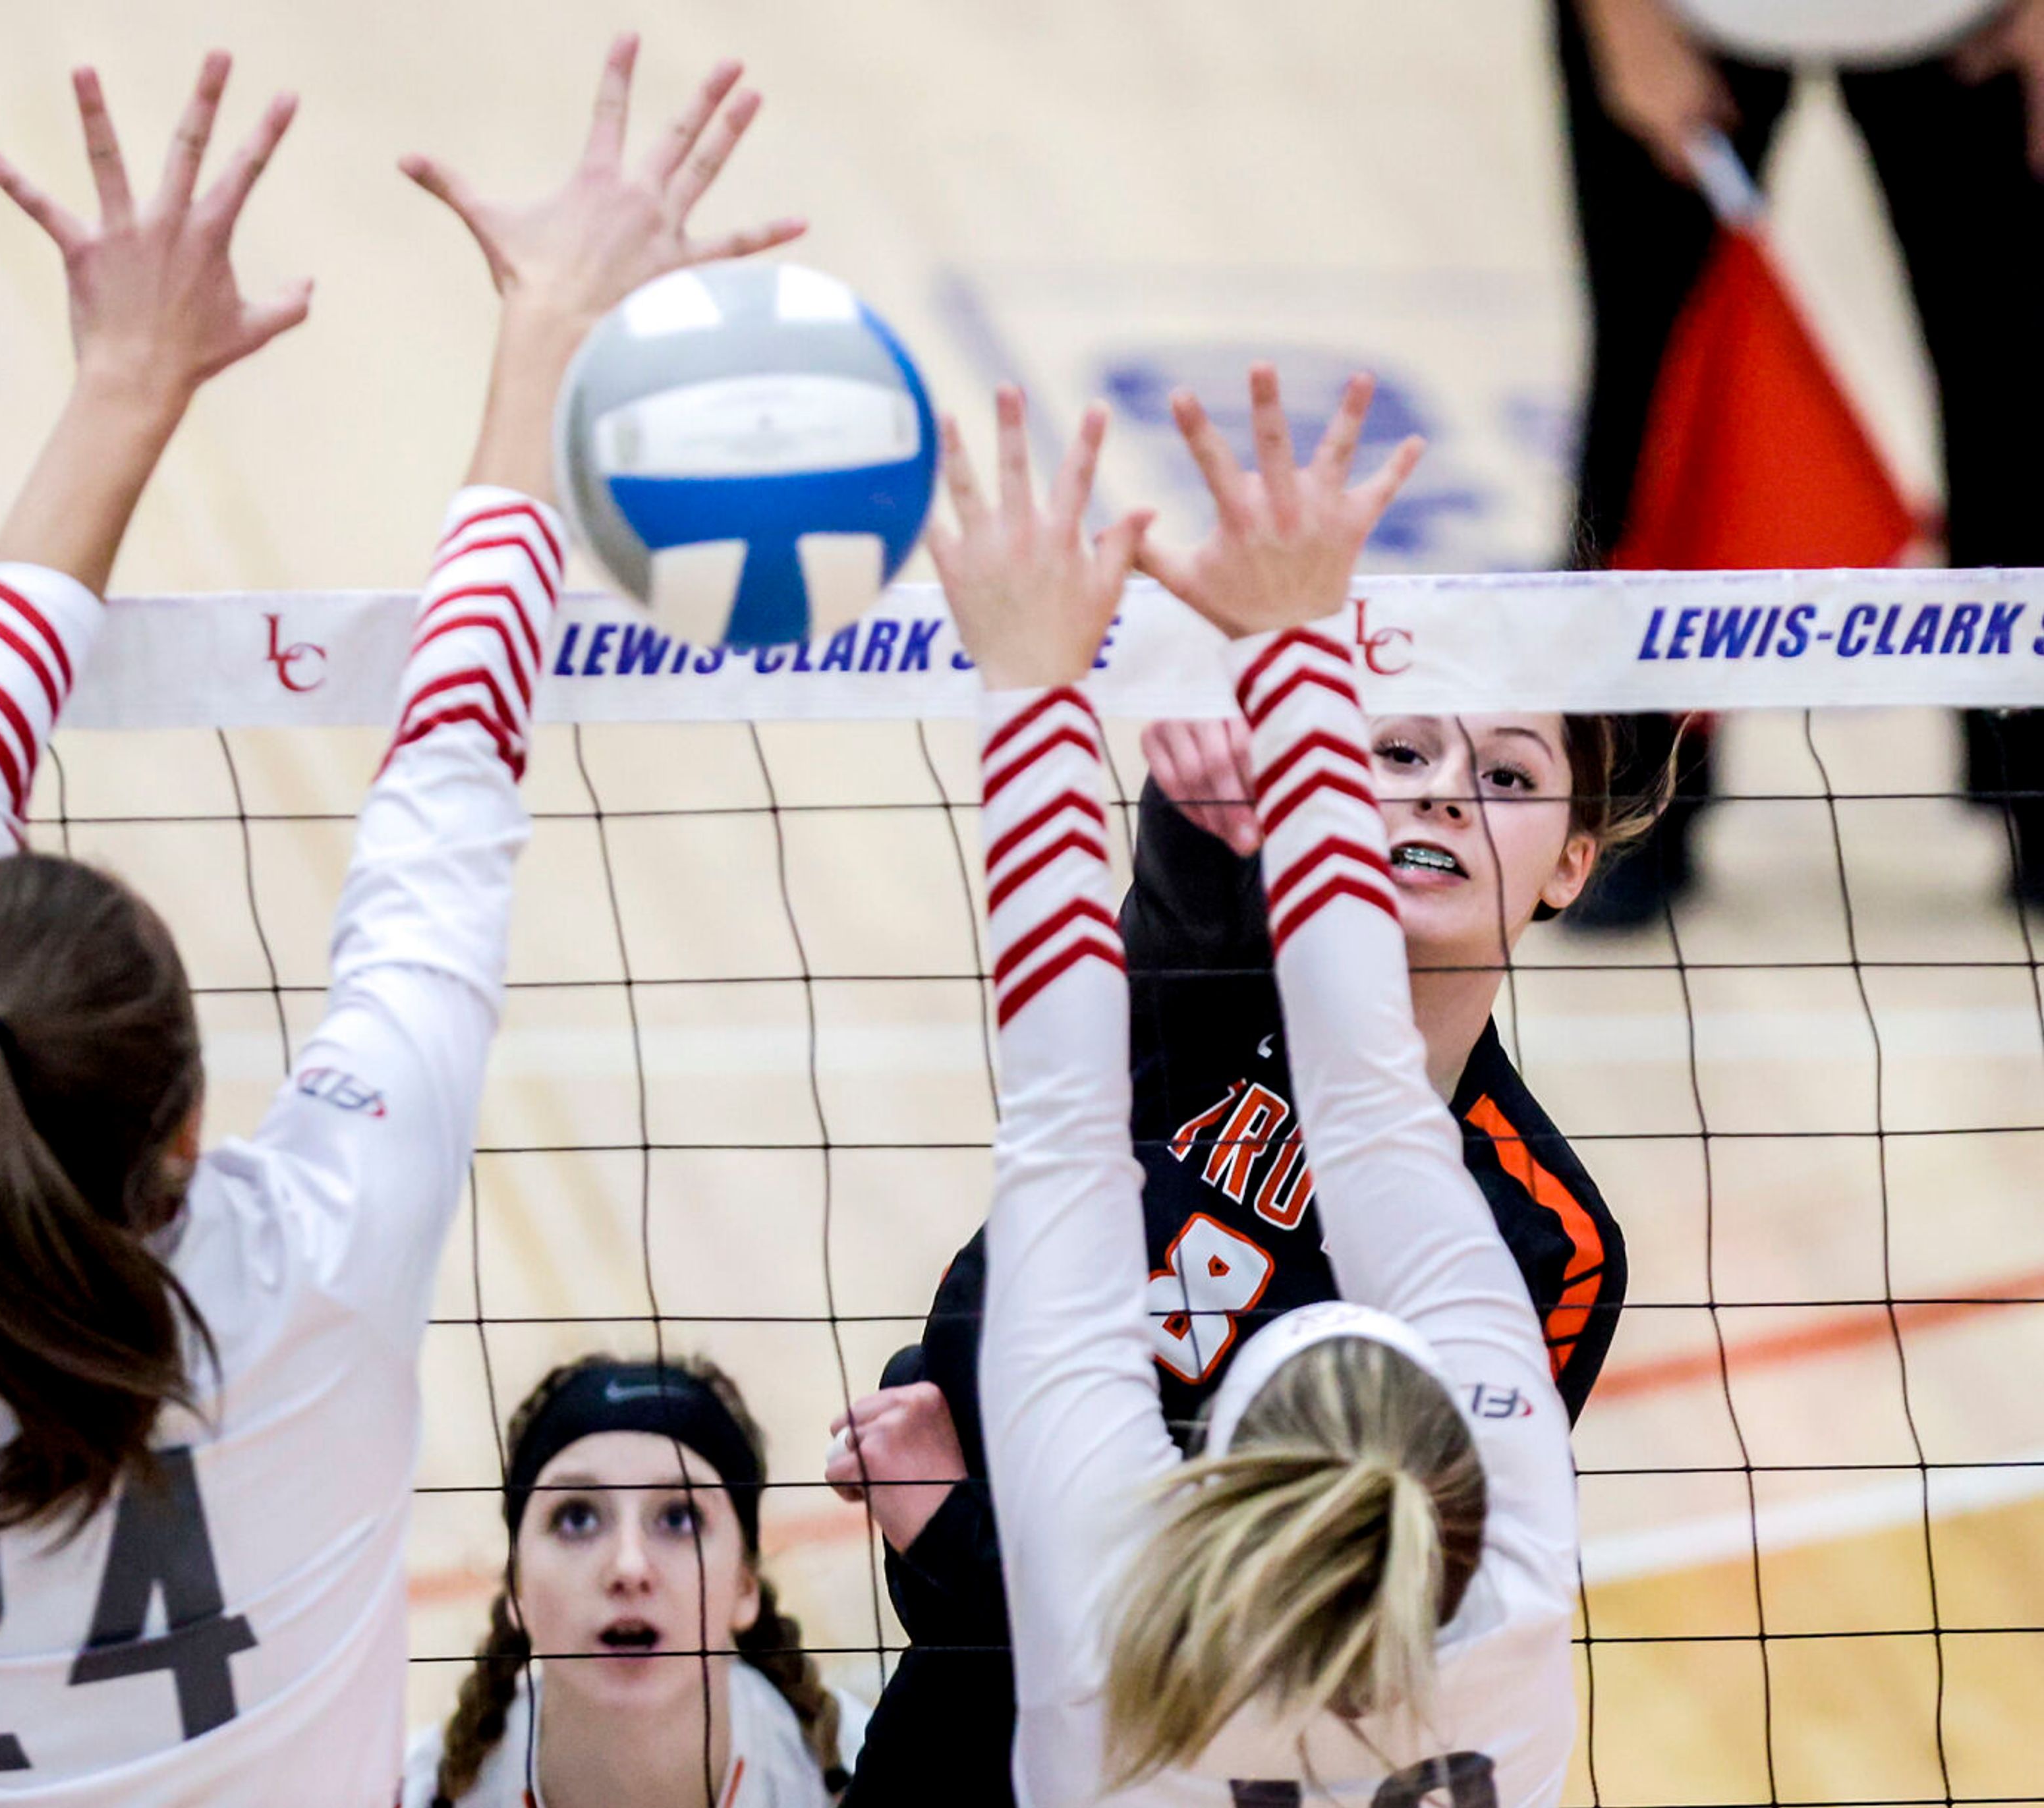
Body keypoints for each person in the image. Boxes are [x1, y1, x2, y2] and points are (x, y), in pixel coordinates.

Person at [0, 39, 798, 1807]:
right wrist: (544, 333)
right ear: (184, 1124)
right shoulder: (305, 1267)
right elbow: (446, 789)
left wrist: (124, 383)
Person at [834, 382, 1641, 1806]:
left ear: (1575, 861)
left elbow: (1386, 1607)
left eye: (1507, 773)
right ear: (1330, 780)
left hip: (1128, 1702)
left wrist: (959, 1540)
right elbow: (984, 1319)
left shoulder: (1552, 1240)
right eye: (1396, 753)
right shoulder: (1214, 998)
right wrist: (1201, 834)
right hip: (971, 1712)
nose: (1443, 793)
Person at [1558, 0, 2044, 919]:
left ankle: (2038, 789)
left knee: (2021, 397)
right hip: (1686, 18)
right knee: (1653, 398)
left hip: (1975, 27)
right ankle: (1626, 809)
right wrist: (1624, 25)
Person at [406, 1356, 868, 1808]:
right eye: (577, 1518)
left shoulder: (869, 1770)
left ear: (745, 1586)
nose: (629, 1567)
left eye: (679, 1518)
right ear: (517, 1588)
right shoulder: (417, 1792)